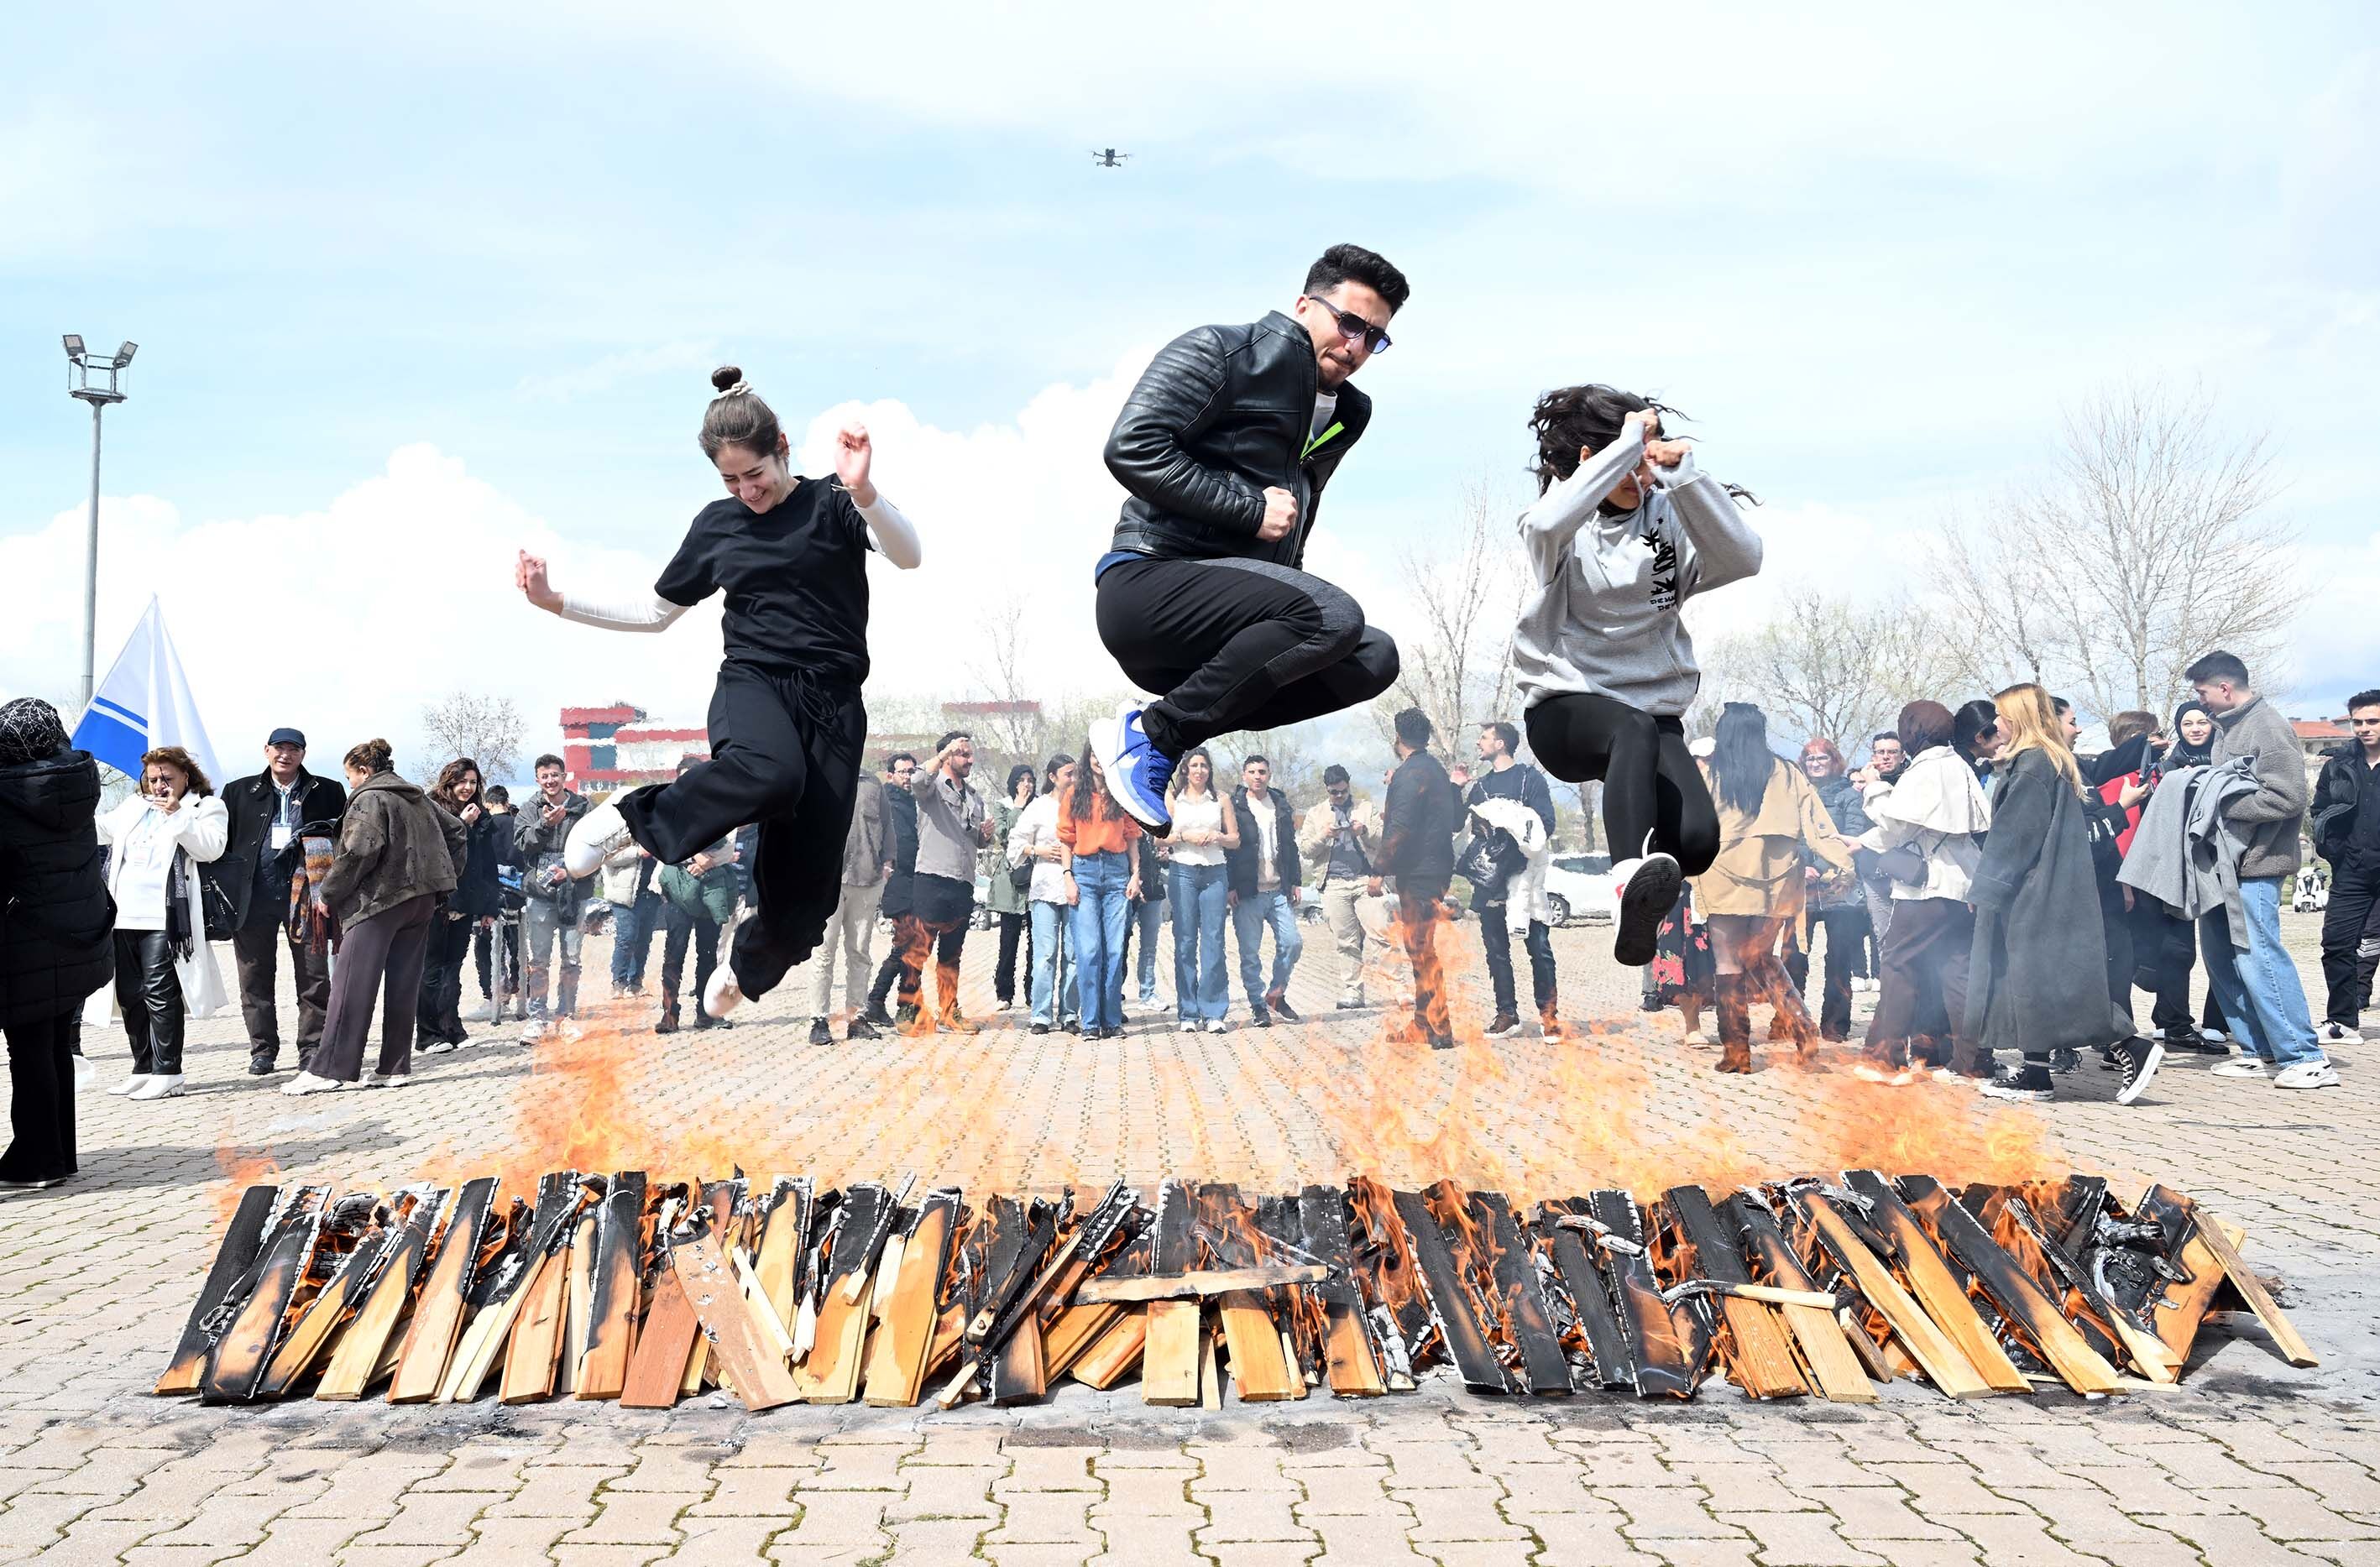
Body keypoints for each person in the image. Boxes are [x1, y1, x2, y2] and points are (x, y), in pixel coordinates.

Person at [517, 368, 924, 1025]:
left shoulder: (833, 501)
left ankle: (746, 964)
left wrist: (864, 489)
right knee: (769, 774)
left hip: (833, 703)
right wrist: (554, 600)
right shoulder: (719, 525)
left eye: (754, 474)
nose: (746, 491)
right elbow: (654, 611)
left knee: (811, 887)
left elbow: (908, 555)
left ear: (782, 447)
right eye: (730, 481)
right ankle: (634, 814)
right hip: (755, 682)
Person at [1088, 245, 1410, 830]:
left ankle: (1173, 722)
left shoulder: (1347, 412)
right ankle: (1152, 736)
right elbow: (1131, 447)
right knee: (1333, 616)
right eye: (1349, 323)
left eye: (1375, 337)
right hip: (1150, 584)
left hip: (1228, 624)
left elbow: (1298, 515)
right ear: (1304, 306)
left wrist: (1293, 596)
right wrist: (1248, 510)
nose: (1357, 346)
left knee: (1371, 656)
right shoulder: (1224, 351)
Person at [1512, 387, 1764, 967]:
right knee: (1630, 727)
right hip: (1566, 710)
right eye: (1629, 467)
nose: (1640, 479)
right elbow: (1545, 523)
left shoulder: (1668, 515)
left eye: (1645, 466)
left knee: (1696, 842)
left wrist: (1682, 474)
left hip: (1652, 712)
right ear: (1593, 462)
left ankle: (1645, 906)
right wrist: (1626, 444)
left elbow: (1744, 558)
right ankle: (1624, 879)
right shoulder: (1561, 526)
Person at [1969, 687, 2163, 1104]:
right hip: (2049, 887)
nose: (1996, 723)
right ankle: (2036, 1074)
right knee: (2032, 981)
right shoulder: (2048, 761)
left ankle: (2131, 1045)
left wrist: (1985, 889)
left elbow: (2014, 837)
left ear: (2018, 718)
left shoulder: (2032, 766)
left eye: (2001, 715)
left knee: (2055, 981)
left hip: (2035, 892)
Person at [2186, 650, 2336, 1089]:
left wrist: (2220, 804)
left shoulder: (2268, 726)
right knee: (2220, 957)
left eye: (2203, 693)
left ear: (2224, 688)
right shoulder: (2226, 728)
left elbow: (2288, 797)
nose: (2201, 701)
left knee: (2259, 957)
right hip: (2224, 865)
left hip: (2257, 864)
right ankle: (2258, 1050)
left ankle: (2305, 1056)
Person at [283, 739, 467, 1095]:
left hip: (378, 903)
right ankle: (393, 1068)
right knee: (403, 986)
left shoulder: (369, 798)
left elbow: (358, 852)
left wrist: (328, 894)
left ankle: (330, 1070)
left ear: (365, 772)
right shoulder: (417, 796)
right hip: (421, 902)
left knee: (351, 986)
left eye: (350, 777)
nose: (350, 784)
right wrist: (444, 879)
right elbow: (457, 831)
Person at [1691, 704, 1854, 1073]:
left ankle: (1737, 1054)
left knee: (1728, 960)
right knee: (1762, 956)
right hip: (1778, 878)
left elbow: (1690, 826)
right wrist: (1843, 864)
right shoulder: (1788, 772)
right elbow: (1817, 823)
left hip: (1723, 875)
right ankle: (1803, 1027)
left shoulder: (1710, 775)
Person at [0, 699, 112, 1188]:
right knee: (52, 1046)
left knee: (29, 1051)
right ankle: (59, 1154)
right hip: (73, 939)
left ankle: (36, 1161)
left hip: (24, 943)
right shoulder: (76, 788)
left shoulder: (8, 795)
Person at [1854, 703, 1992, 1084]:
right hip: (1963, 884)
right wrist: (1864, 841)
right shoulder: (1958, 765)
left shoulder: (1926, 768)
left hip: (1927, 887)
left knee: (1898, 965)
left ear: (1913, 732)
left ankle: (1884, 1058)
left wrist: (1874, 787)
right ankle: (1970, 1062)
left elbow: (1896, 823)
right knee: (1957, 972)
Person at [92, 746, 228, 1100]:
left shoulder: (206, 807)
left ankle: (169, 1071)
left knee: (159, 992)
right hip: (123, 915)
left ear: (186, 777)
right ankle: (143, 1067)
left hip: (165, 918)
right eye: (152, 779)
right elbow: (100, 829)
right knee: (129, 994)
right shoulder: (134, 806)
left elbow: (211, 848)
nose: (159, 786)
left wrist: (177, 814)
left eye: (166, 778)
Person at [208, 728, 347, 1077]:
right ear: (266, 751)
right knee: (254, 977)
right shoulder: (238, 791)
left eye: (293, 749)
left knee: (314, 977)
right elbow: (222, 847)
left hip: (307, 897)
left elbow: (343, 841)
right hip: (253, 898)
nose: (285, 755)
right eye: (279, 748)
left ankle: (312, 1049)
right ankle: (263, 1050)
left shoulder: (328, 791)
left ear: (303, 754)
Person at [1374, 708, 1464, 1049]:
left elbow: (1399, 828)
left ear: (1398, 737)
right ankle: (1423, 1024)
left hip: (1419, 873)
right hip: (1437, 869)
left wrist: (1378, 870)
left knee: (1422, 951)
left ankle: (1439, 1028)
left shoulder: (1409, 774)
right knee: (1418, 949)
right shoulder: (1436, 771)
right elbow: (1455, 822)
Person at [893, 732, 991, 1035]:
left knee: (952, 954)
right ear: (948, 756)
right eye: (963, 754)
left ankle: (949, 1012)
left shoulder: (974, 796)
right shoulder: (932, 786)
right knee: (918, 949)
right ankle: (908, 1009)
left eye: (971, 754)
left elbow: (975, 838)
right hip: (932, 878)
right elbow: (917, 780)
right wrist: (943, 752)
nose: (970, 760)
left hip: (962, 882)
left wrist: (984, 836)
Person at [1467, 721, 1559, 1039]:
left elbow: (1546, 822)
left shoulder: (1529, 779)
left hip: (1525, 878)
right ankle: (1507, 1014)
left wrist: (1509, 840)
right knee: (1496, 952)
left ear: (1501, 744)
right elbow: (1464, 828)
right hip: (1490, 881)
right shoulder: (1480, 787)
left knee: (1540, 950)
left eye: (1484, 738)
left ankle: (1549, 1017)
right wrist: (1455, 787)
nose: (1479, 743)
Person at [1059, 739, 1143, 1039]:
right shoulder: (1074, 794)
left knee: (1115, 949)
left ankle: (1111, 1020)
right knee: (1089, 950)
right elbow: (1066, 839)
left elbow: (1132, 836)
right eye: (1094, 754)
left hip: (1117, 872)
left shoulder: (1122, 792)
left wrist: (1135, 875)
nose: (1098, 759)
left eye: (1103, 754)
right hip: (1084, 871)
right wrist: (1068, 877)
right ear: (1088, 757)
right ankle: (1091, 1022)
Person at [2310, 689, 2380, 1046]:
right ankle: (2343, 1022)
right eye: (2358, 722)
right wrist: (2333, 850)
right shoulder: (2338, 765)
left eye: (2373, 721)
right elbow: (2320, 810)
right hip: (2351, 869)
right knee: (2336, 944)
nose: (2364, 728)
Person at [652, 760, 742, 1036]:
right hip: (677, 892)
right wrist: (694, 856)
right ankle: (669, 1013)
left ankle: (706, 1013)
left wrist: (707, 863)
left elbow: (729, 848)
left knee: (708, 953)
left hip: (711, 890)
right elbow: (662, 843)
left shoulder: (720, 808)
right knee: (674, 953)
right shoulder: (667, 809)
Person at [808, 751, 891, 1044]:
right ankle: (819, 1020)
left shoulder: (873, 784)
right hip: (827, 881)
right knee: (824, 952)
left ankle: (857, 1018)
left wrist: (888, 861)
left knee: (859, 953)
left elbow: (887, 826)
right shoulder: (816, 780)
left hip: (866, 878)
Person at [1797, 739, 1875, 1042]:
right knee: (1793, 956)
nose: (1816, 764)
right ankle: (1791, 1019)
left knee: (1840, 959)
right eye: (1810, 759)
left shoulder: (1849, 796)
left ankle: (1835, 1024)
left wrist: (1821, 867)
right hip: (1801, 887)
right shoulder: (1796, 794)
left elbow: (1852, 837)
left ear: (1834, 761)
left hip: (1840, 888)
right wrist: (1801, 867)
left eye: (1822, 758)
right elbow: (1790, 836)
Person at [417, 758, 497, 1056]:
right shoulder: (431, 809)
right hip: (435, 901)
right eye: (462, 781)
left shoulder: (482, 815)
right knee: (431, 970)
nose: (467, 787)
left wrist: (490, 906)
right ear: (449, 781)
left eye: (473, 782)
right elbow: (432, 853)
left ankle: (453, 1028)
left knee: (453, 968)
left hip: (466, 900)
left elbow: (487, 864)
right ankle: (428, 1034)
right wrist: (462, 825)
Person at [513, 755, 590, 1042]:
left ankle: (565, 1017)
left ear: (564, 775)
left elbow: (596, 847)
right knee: (538, 961)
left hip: (575, 892)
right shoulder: (528, 809)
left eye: (555, 775)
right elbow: (522, 844)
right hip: (539, 895)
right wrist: (544, 825)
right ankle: (537, 1018)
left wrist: (570, 872)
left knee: (572, 960)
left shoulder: (582, 807)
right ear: (537, 779)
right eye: (545, 776)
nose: (550, 781)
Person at [1298, 764, 1384, 1011]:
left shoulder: (1365, 808)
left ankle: (1398, 989)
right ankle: (1353, 991)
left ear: (1349, 785)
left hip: (1364, 879)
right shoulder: (1315, 813)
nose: (1339, 796)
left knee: (1381, 935)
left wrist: (1363, 830)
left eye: (1343, 791)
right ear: (1326, 789)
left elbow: (1383, 840)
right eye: (1333, 792)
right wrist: (1324, 835)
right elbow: (1305, 850)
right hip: (1333, 883)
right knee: (1346, 941)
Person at [1226, 755, 1304, 1026]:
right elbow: (1229, 851)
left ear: (1269, 774)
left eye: (1262, 771)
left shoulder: (1280, 803)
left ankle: (1276, 994)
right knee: (1250, 953)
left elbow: (1291, 845)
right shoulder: (1236, 806)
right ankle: (1258, 1005)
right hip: (1249, 892)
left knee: (1292, 942)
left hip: (1279, 890)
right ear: (1244, 775)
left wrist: (1295, 881)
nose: (1257, 776)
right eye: (1252, 772)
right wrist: (1230, 886)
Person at [1164, 748, 1237, 1032]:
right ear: (1185, 769)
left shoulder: (1221, 799)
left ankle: (1214, 1011)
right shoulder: (1173, 799)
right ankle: (1188, 1013)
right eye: (1194, 765)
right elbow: (1159, 839)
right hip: (1182, 871)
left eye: (1204, 766)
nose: (1199, 771)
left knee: (1214, 941)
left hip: (1215, 872)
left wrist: (1218, 836)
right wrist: (1184, 836)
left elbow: (1235, 839)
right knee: (1184, 942)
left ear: (1210, 770)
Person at [1009, 755, 1079, 1035]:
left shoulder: (1081, 804)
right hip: (1045, 885)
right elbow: (1016, 842)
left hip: (1076, 886)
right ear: (1052, 777)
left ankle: (1070, 1013)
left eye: (1075, 774)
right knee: (1045, 953)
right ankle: (1040, 1015)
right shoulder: (1038, 807)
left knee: (1073, 954)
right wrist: (1038, 850)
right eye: (1068, 774)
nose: (1073, 779)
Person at [863, 752, 920, 1028]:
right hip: (898, 883)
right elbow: (903, 847)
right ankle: (878, 1001)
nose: (908, 777)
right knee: (906, 946)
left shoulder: (913, 802)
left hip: (913, 883)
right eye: (903, 772)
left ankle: (901, 1004)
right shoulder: (889, 802)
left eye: (912, 771)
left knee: (912, 946)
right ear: (890, 775)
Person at [470, 784, 526, 1023]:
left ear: (488, 803)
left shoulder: (485, 826)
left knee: (485, 944)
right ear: (506, 801)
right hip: (517, 894)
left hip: (490, 893)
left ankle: (493, 994)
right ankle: (520, 988)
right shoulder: (519, 824)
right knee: (517, 943)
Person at [987, 764, 1036, 1014]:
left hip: (1036, 880)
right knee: (1008, 941)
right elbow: (1004, 835)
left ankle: (1033, 992)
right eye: (1021, 779)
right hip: (1010, 881)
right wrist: (1018, 807)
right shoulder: (1003, 805)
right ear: (1013, 783)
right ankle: (1004, 992)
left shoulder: (1040, 806)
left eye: (1030, 779)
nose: (1026, 784)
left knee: (1037, 943)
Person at [600, 818, 664, 999]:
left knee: (644, 940)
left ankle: (635, 982)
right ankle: (618, 982)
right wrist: (638, 852)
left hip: (652, 893)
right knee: (626, 938)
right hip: (626, 895)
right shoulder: (620, 829)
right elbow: (607, 857)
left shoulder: (660, 829)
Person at [1123, 826, 1169, 1016]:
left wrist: (1166, 857)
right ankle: (1113, 993)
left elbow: (1164, 857)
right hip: (1128, 889)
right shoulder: (1126, 817)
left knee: (1149, 947)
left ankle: (1147, 993)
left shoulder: (1155, 821)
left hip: (1154, 888)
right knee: (1119, 946)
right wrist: (1136, 881)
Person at [1954, 699, 2001, 786]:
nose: (2004, 741)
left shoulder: (1948, 757)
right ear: (1980, 738)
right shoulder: (1969, 773)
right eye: (1999, 735)